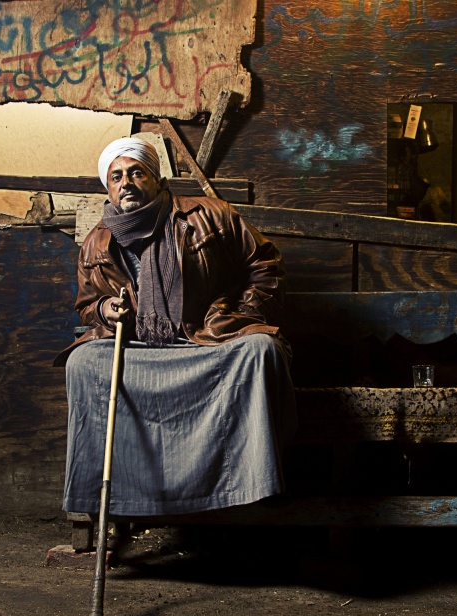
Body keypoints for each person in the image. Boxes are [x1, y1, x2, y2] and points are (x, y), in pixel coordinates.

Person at [54, 136, 296, 520]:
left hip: (205, 343)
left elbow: (265, 266)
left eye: (136, 172)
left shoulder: (210, 215)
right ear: (108, 187)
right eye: (116, 177)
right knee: (82, 364)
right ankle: (111, 500)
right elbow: (87, 306)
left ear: (157, 178)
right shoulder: (96, 242)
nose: (126, 183)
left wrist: (238, 313)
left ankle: (248, 488)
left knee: (259, 351)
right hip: (141, 348)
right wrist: (105, 308)